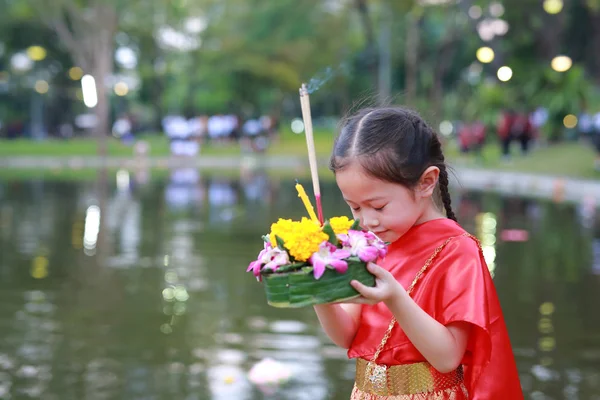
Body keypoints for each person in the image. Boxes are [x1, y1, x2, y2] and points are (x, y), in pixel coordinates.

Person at [315, 107, 523, 399]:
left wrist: (394, 296)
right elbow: (347, 336)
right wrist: (318, 291)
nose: (367, 221)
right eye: (355, 207)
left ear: (426, 182)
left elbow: (447, 357)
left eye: (378, 206)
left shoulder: (457, 251)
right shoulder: (368, 244)